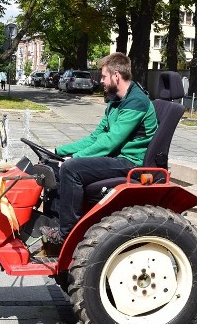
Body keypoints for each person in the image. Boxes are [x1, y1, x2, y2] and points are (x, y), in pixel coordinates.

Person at [40, 53, 157, 244]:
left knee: (71, 169)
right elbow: (95, 137)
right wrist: (58, 151)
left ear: (116, 76)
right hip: (116, 157)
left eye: (103, 76)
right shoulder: (115, 102)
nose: (100, 81)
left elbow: (111, 141)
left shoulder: (136, 102)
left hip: (131, 163)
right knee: (53, 164)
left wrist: (75, 158)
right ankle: (54, 223)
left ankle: (66, 235)